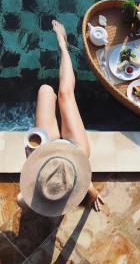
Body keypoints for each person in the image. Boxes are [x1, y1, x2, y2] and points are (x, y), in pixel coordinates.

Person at [18, 21, 104, 214]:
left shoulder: (38, 190)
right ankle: (63, 46)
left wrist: (30, 157)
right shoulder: (72, 184)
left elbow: (20, 201)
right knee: (65, 94)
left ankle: (63, 47)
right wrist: (92, 194)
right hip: (75, 151)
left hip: (46, 153)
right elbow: (86, 183)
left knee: (46, 90)